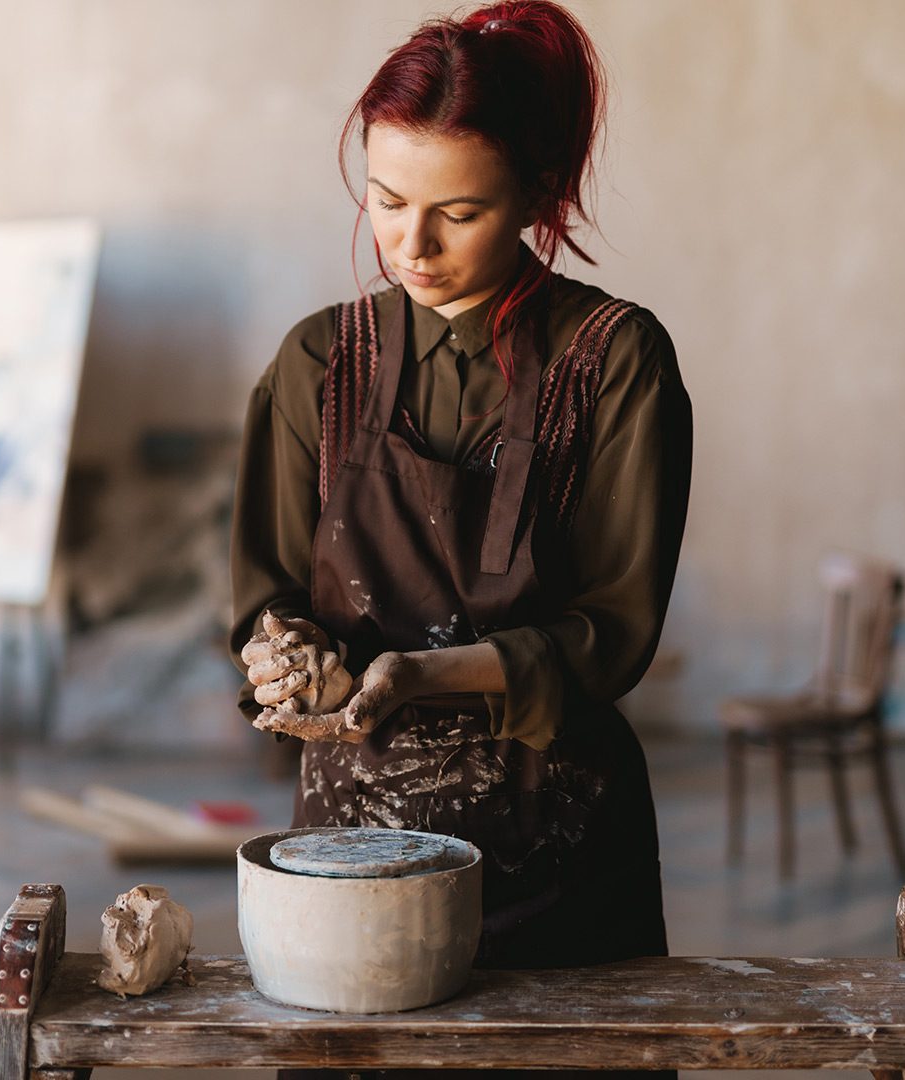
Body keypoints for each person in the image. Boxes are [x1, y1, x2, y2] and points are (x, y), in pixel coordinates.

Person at [231, 0, 691, 1005]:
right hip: (353, 865)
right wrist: (280, 656)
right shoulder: (317, 363)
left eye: (460, 213)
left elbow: (612, 634)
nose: (412, 244)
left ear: (537, 191)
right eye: (388, 200)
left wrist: (419, 672)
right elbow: (266, 595)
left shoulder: (617, 362)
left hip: (559, 856)